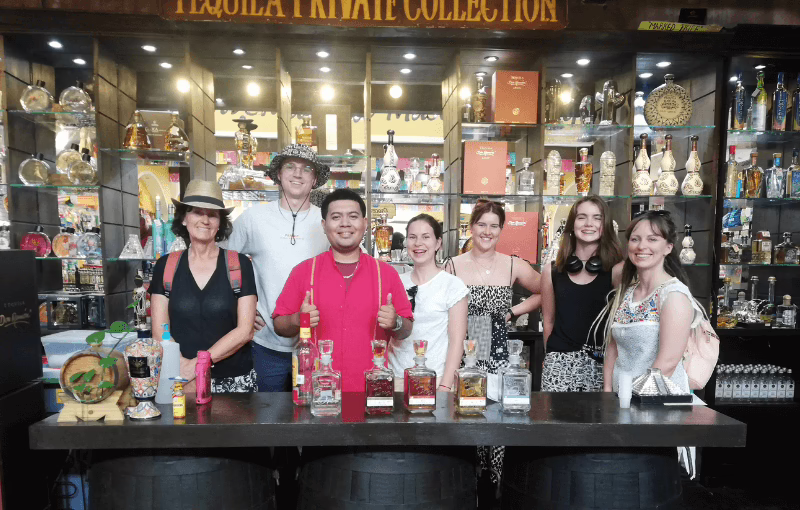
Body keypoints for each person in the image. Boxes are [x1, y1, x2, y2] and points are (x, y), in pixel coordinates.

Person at [272, 189, 414, 392]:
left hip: (372, 389)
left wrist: (396, 322)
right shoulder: (304, 271)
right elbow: (279, 325)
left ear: (365, 224)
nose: (345, 223)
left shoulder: (386, 273)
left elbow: (406, 329)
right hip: (317, 390)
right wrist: (297, 319)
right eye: (336, 217)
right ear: (324, 225)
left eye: (353, 216)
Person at [444, 199, 542, 491]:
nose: (487, 231)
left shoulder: (513, 264)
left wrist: (513, 311)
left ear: (501, 230)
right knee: (467, 415)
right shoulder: (452, 265)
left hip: (499, 352)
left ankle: (496, 485)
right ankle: (467, 482)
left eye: (494, 226)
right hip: (465, 352)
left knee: (498, 416)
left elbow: (546, 291)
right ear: (471, 227)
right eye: (481, 224)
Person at [224, 144, 331, 392]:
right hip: (264, 344)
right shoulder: (254, 218)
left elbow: (355, 264)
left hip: (317, 343)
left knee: (313, 412)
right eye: (290, 167)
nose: (298, 174)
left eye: (306, 169)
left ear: (315, 179)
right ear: (279, 175)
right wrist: (237, 308)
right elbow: (221, 262)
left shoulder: (327, 221)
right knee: (266, 413)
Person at [150, 179, 258, 393]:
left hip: (233, 381)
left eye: (212, 215)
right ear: (184, 218)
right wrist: (182, 365)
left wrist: (198, 365)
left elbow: (245, 330)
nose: (205, 220)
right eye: (197, 212)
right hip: (181, 378)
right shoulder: (166, 266)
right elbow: (161, 329)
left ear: (220, 223)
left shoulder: (239, 264)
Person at [603, 210, 700, 394]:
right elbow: (613, 348)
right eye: (635, 239)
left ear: (668, 247)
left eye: (652, 239)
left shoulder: (674, 295)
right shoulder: (627, 293)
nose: (642, 246)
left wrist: (633, 401)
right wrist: (607, 392)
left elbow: (667, 363)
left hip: (656, 402)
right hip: (622, 400)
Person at [540, 196, 623, 392]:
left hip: (602, 364)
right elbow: (549, 320)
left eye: (597, 218)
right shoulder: (552, 271)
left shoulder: (618, 270)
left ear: (605, 225)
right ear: (572, 224)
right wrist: (551, 355)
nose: (589, 223)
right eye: (582, 217)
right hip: (558, 366)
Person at [388, 214, 469, 391]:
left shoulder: (452, 285)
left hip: (434, 380)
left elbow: (457, 343)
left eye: (426, 237)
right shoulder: (395, 281)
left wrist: (445, 386)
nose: (418, 243)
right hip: (396, 379)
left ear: (438, 243)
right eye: (412, 237)